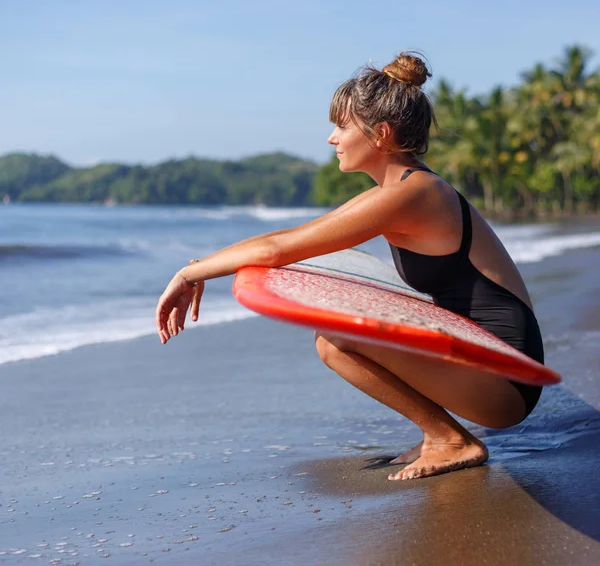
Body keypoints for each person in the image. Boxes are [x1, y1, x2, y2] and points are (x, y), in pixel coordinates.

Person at [155, 51, 544, 481]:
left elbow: (279, 249)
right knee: (341, 335)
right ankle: (442, 432)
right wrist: (201, 264)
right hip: (487, 365)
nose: (331, 138)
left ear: (380, 134)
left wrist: (189, 274)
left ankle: (451, 441)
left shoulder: (411, 195)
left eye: (341, 126)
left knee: (335, 341)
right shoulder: (401, 187)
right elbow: (287, 238)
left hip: (507, 381)